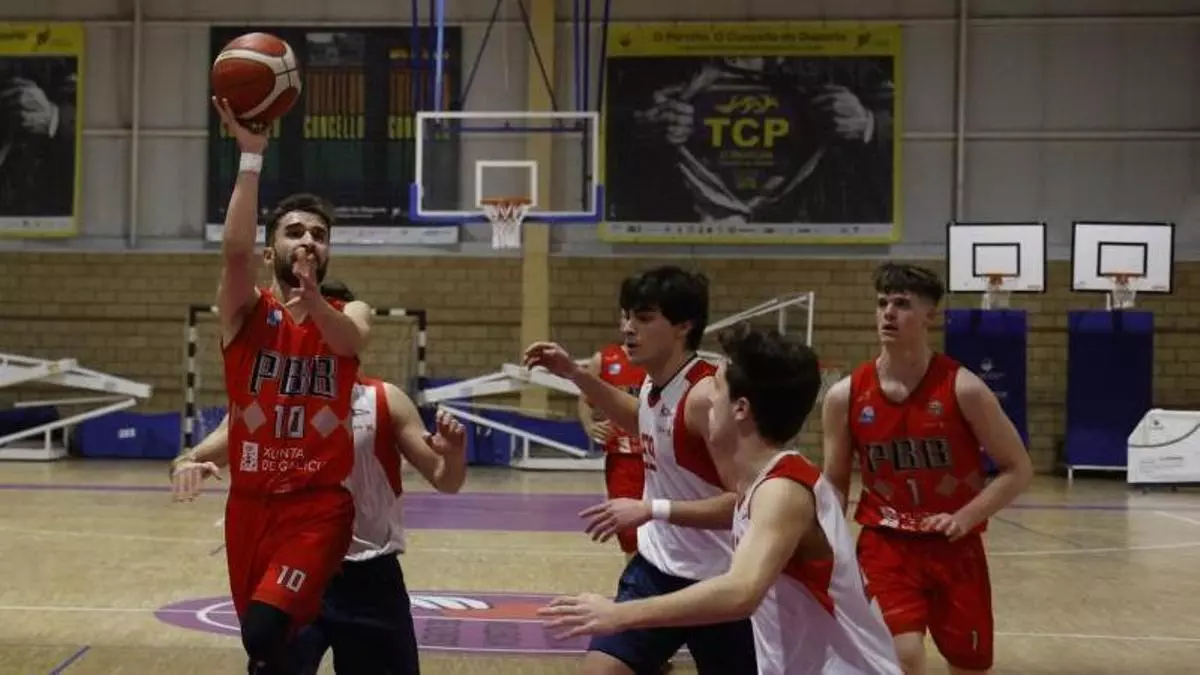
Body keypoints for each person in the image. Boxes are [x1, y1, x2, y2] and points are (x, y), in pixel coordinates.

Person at [539, 326, 904, 675]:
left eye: (716, 387)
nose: (706, 397)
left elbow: (740, 592)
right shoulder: (758, 482)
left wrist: (619, 614)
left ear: (740, 408)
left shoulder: (782, 491)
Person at [171, 280, 468, 675]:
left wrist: (455, 454)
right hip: (295, 567)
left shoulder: (385, 399)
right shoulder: (270, 404)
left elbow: (446, 480)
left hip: (368, 575)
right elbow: (198, 453)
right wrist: (185, 464)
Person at [523, 265, 757, 675]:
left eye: (644, 318)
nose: (628, 328)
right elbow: (640, 419)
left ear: (684, 326)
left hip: (717, 581)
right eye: (626, 316)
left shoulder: (705, 398)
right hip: (655, 570)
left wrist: (652, 509)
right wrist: (575, 373)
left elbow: (747, 503)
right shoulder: (655, 382)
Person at [211, 96, 373, 674]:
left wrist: (315, 303)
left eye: (319, 235)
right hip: (249, 506)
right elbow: (233, 255)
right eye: (295, 231)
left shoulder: (350, 312)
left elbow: (349, 343)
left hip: (317, 508)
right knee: (263, 648)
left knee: (265, 628)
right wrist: (250, 157)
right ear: (270, 250)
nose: (308, 241)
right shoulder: (246, 314)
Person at [821, 263, 1034, 675]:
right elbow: (834, 483)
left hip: (955, 547)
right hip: (885, 542)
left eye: (902, 304)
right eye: (882, 303)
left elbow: (1018, 468)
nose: (888, 313)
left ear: (929, 316)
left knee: (968, 664)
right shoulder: (845, 395)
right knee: (900, 656)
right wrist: (826, 546)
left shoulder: (964, 388)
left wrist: (966, 516)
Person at [578, 335, 648, 559]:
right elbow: (585, 399)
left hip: (657, 454)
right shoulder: (604, 359)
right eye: (627, 318)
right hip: (621, 456)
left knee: (662, 528)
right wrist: (589, 425)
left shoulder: (660, 359)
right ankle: (636, 577)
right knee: (628, 532)